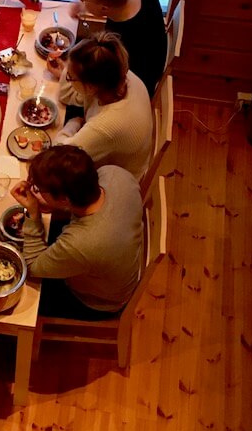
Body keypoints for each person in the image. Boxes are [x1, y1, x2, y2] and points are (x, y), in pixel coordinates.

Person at [11, 145, 143, 318]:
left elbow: (33, 266)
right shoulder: (114, 173)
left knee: (19, 292)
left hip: (97, 302)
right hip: (116, 263)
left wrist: (33, 213)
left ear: (65, 199)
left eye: (40, 190)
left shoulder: (83, 242)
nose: (37, 191)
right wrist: (52, 203)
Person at [48, 31, 152, 180]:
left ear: (90, 87)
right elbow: (68, 97)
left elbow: (59, 156)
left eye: (71, 77)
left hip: (116, 179)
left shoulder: (106, 125)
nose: (67, 77)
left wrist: (73, 124)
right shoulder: (117, 75)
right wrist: (66, 70)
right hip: (116, 155)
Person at [68, 0, 166, 97]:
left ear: (104, 8)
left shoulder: (123, 41)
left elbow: (106, 84)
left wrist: (71, 76)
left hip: (132, 85)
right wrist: (84, 5)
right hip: (149, 53)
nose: (80, 1)